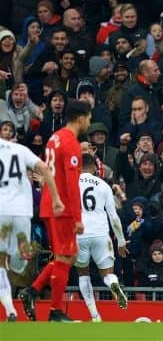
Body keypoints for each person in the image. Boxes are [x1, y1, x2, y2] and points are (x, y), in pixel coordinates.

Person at [19, 100, 92, 322]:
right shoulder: (71, 144)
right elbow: (71, 183)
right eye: (89, 118)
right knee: (65, 256)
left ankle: (32, 291)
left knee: (68, 256)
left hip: (50, 204)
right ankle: (55, 311)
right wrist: (77, 218)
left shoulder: (55, 137)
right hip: (62, 207)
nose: (89, 122)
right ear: (81, 118)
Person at [0, 138, 63, 322]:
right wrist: (55, 197)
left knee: (2, 263)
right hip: (21, 212)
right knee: (21, 259)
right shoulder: (20, 149)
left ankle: (10, 309)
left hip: (1, 213)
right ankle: (11, 309)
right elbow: (44, 168)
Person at [75, 154, 128, 322]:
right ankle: (113, 284)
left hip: (79, 233)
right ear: (94, 167)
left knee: (83, 274)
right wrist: (120, 241)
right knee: (107, 274)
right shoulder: (104, 185)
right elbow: (114, 217)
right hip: (100, 233)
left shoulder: (70, 184)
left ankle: (95, 316)